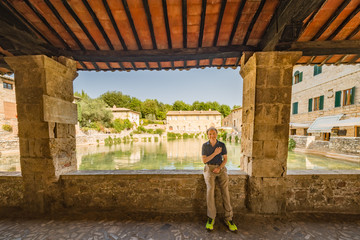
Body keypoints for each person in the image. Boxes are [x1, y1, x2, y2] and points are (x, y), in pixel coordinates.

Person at [202, 127, 237, 231]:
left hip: (220, 168)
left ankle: (229, 218)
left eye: (213, 133)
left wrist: (219, 168)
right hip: (209, 168)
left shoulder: (222, 145)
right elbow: (204, 160)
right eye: (209, 134)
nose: (212, 135)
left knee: (225, 191)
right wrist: (215, 153)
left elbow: (225, 159)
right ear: (207, 135)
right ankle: (211, 218)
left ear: (217, 134)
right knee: (210, 190)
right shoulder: (205, 145)